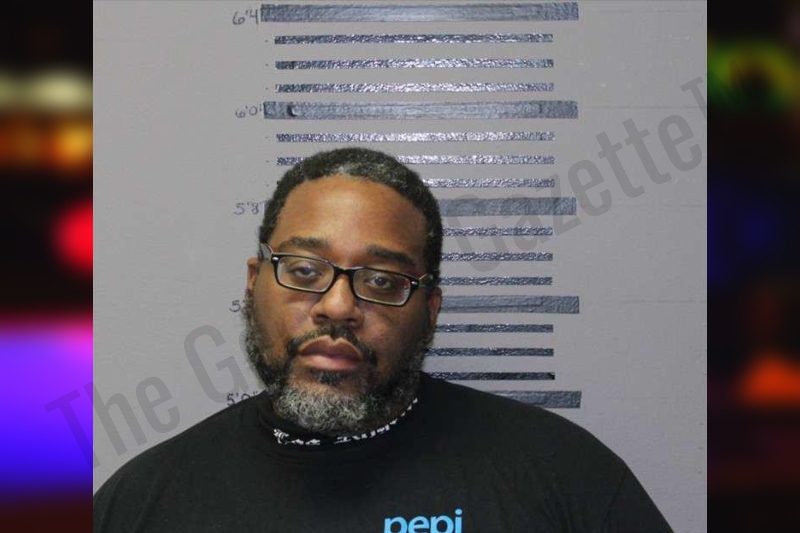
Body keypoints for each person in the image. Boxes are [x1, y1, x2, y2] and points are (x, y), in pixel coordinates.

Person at [93, 148, 674, 532]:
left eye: (381, 281)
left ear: (430, 311)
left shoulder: (562, 475)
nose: (338, 307)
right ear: (253, 283)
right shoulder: (144, 502)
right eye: (303, 270)